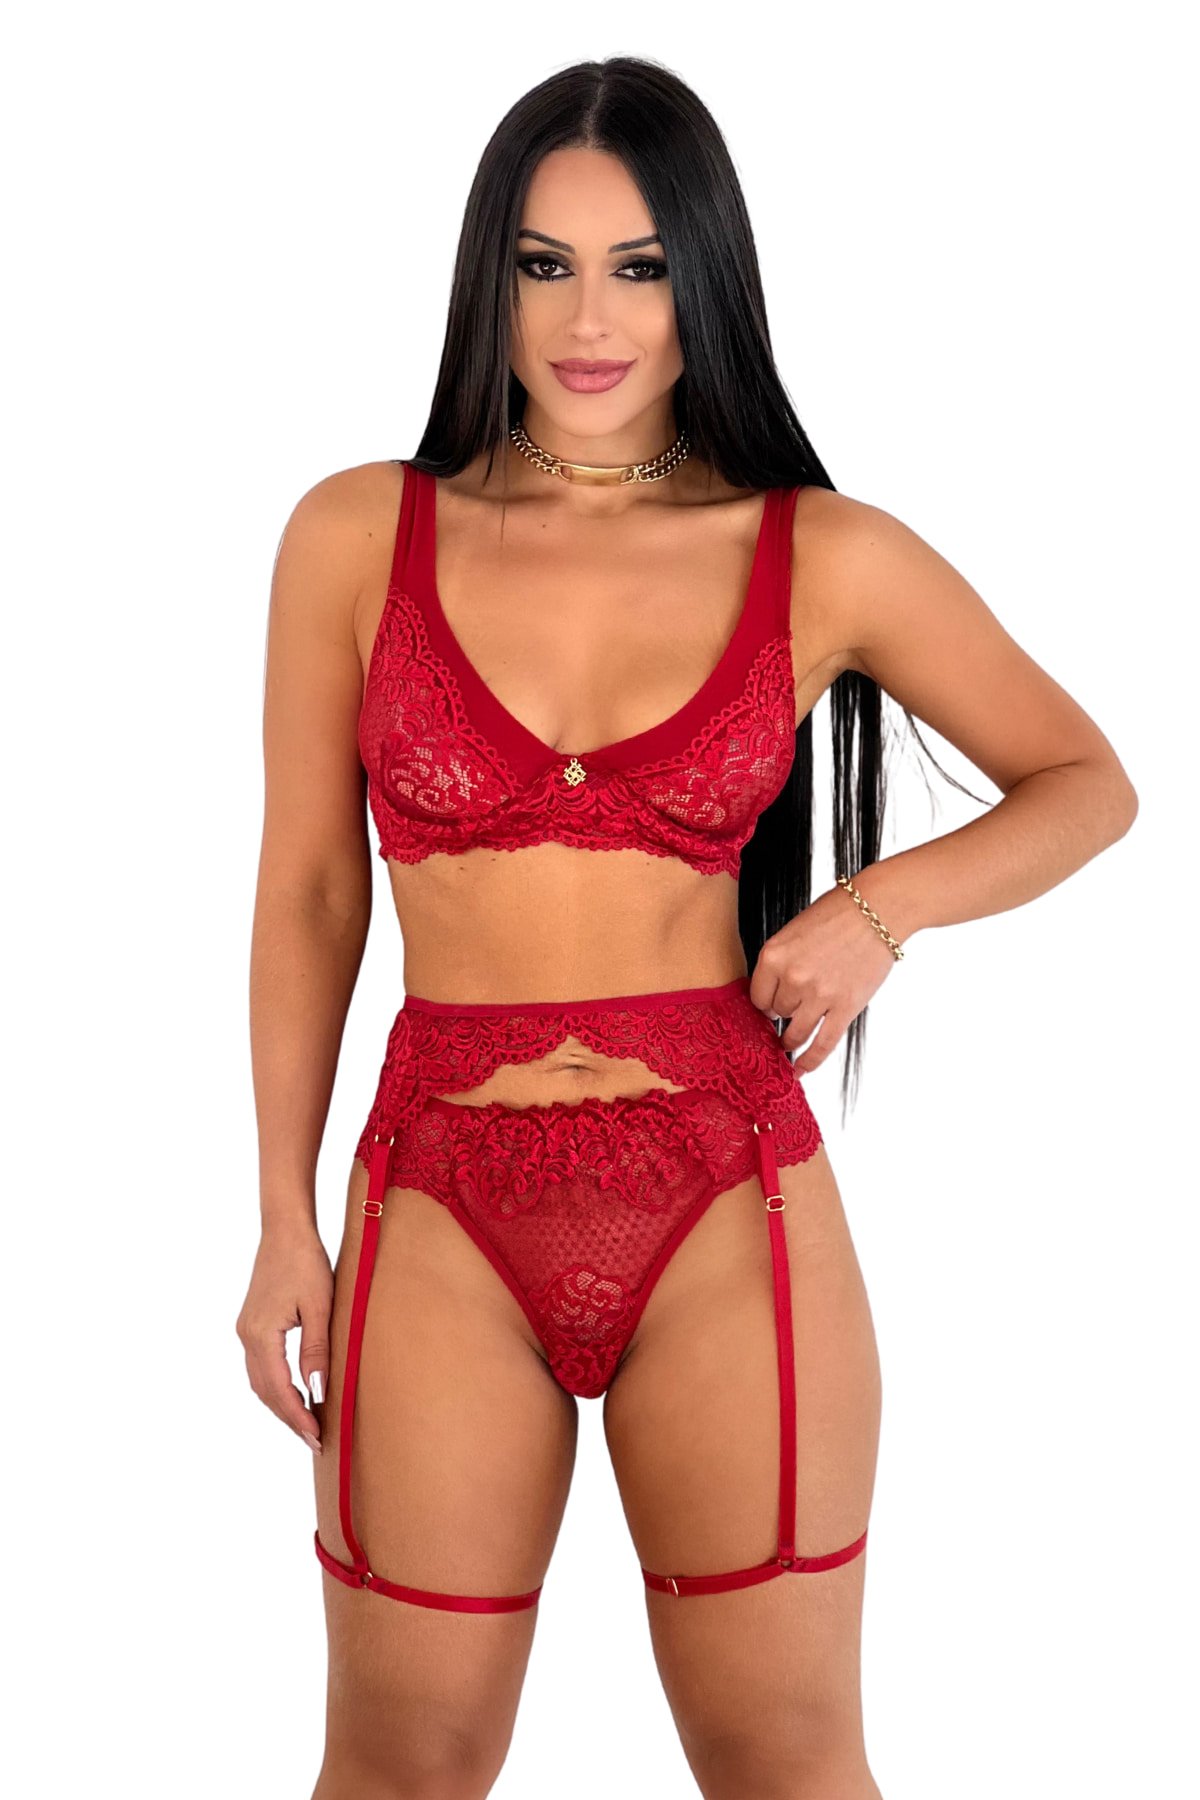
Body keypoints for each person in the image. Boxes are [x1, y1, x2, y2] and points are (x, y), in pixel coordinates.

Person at [236, 55, 1137, 1800]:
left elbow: (1086, 782)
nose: (590, 320)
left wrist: (877, 909)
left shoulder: (817, 551)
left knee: (786, 1761)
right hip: (439, 1189)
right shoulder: (357, 534)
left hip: (727, 1197)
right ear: (487, 276)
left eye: (640, 268)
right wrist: (283, 1215)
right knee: (399, 1761)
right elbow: (309, 888)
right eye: (545, 263)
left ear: (701, 277)